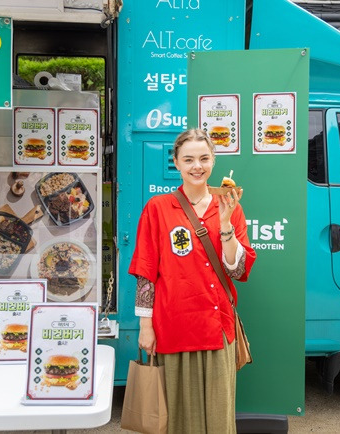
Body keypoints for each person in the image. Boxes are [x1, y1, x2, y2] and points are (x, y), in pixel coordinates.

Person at [128, 128, 256, 433]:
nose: (197, 166)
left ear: (213, 160)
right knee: (176, 416)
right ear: (176, 162)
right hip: (172, 326)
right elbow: (146, 273)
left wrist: (225, 224)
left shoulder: (229, 206)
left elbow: (237, 271)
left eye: (203, 158)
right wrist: (146, 327)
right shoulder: (157, 209)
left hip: (217, 327)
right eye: (188, 159)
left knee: (218, 416)